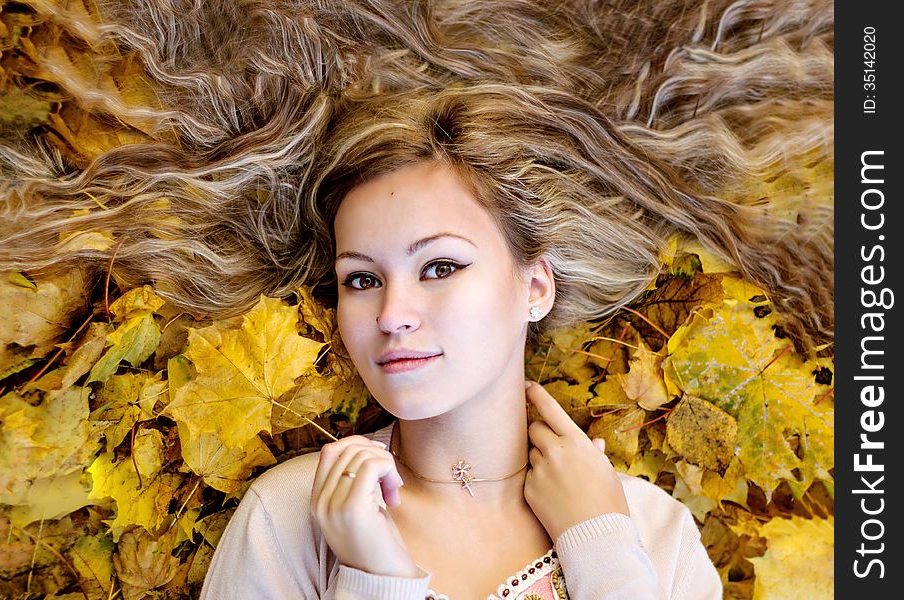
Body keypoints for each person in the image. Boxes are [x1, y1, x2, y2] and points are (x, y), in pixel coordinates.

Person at [198, 86, 727, 599]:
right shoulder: (290, 518)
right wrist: (374, 581)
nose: (392, 316)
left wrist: (605, 556)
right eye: (361, 279)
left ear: (535, 287)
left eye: (440, 267)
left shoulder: (655, 533)